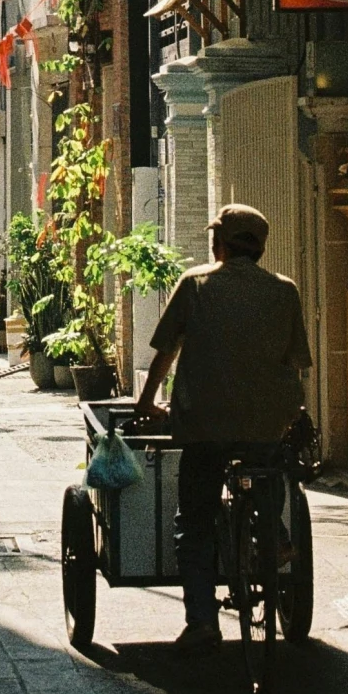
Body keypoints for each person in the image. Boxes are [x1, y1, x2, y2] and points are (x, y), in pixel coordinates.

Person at [135, 202, 312, 650]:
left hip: (204, 425)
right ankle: (274, 534)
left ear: (220, 245)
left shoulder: (195, 284)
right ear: (260, 248)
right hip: (265, 424)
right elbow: (298, 364)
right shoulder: (285, 291)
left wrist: (145, 402)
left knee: (193, 518)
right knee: (267, 465)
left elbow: (165, 352)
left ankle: (202, 622)